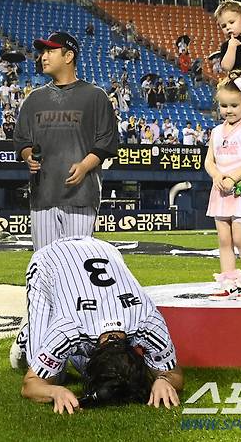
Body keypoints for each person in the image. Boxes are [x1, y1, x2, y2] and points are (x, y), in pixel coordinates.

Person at [13, 236, 183, 414]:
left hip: (104, 248)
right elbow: (30, 383)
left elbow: (174, 374)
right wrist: (54, 391)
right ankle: (27, 334)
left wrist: (164, 380)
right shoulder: (68, 328)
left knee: (62, 363)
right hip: (49, 260)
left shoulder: (148, 320)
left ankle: (58, 347)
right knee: (56, 377)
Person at [13, 31, 119, 251]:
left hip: (80, 195)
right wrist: (27, 156)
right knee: (44, 265)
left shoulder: (95, 96)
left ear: (69, 56)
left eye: (50, 51)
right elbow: (21, 140)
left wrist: (84, 166)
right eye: (43, 52)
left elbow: (106, 141)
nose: (43, 56)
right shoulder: (34, 98)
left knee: (78, 268)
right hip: (43, 196)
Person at [205, 71, 241, 300]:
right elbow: (209, 161)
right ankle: (228, 281)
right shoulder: (216, 132)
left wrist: (233, 178)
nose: (229, 110)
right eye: (224, 105)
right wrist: (217, 176)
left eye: (234, 105)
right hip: (220, 192)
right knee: (224, 239)